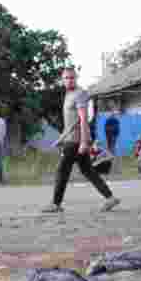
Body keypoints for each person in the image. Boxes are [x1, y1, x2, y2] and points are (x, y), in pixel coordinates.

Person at [43, 67, 120, 214]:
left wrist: (84, 142)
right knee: (88, 171)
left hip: (76, 141)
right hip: (70, 139)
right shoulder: (68, 95)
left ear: (76, 78)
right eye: (66, 78)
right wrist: (61, 139)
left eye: (72, 77)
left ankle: (55, 204)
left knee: (62, 170)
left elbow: (83, 119)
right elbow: (73, 123)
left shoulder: (80, 94)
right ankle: (110, 198)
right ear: (62, 79)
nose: (69, 80)